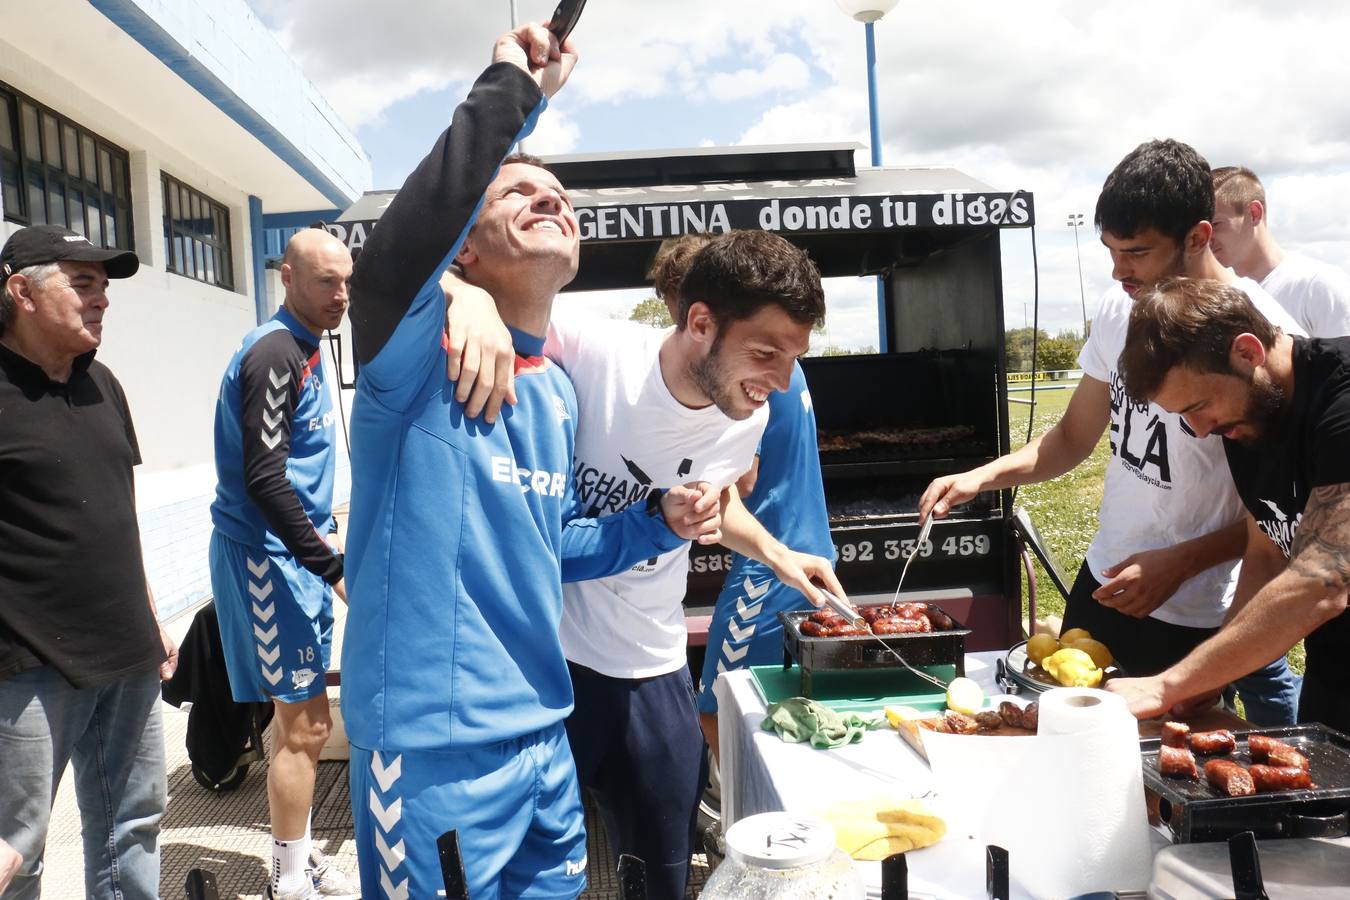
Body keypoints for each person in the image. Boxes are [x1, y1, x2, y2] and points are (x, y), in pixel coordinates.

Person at [338, 25, 719, 899]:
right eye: (518, 190)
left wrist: (652, 524)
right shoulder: (416, 357)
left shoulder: (555, 391)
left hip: (548, 738)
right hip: (435, 753)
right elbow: (398, 255)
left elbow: (554, 546)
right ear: (462, 249)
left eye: (560, 193)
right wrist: (514, 90)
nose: (551, 198)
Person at [443, 228, 840, 897]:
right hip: (549, 661)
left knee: (664, 872)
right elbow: (435, 287)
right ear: (700, 322)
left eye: (794, 357)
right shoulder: (595, 350)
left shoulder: (746, 416)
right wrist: (467, 297)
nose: (780, 380)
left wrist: (777, 552)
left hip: (651, 663)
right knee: (526, 873)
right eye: (766, 352)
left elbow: (715, 498)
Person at [919, 140, 1304, 725]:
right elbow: (1073, 438)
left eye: (1138, 252)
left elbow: (1275, 522)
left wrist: (1179, 562)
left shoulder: (1261, 338)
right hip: (1101, 583)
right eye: (1111, 250)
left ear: (1198, 237)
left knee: (1153, 788)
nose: (1119, 270)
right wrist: (981, 477)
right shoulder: (1119, 307)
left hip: (1192, 610)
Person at [0, 225, 176, 899]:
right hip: (26, 668)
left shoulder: (103, 384)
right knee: (18, 852)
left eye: (104, 287)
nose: (101, 300)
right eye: (82, 284)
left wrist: (153, 618)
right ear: (21, 291)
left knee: (131, 827)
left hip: (126, 656)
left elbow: (117, 515)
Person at [1109, 276, 1350, 733]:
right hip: (1335, 668)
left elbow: (1325, 579)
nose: (1199, 430)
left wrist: (1168, 685)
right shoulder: (1252, 411)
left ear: (1247, 351)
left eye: (1198, 406)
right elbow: (1266, 551)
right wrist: (1213, 675)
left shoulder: (1340, 403)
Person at [208, 227, 357, 900]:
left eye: (346, 281)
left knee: (295, 721)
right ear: (288, 279)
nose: (340, 294)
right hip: (271, 562)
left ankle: (294, 860)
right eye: (326, 281)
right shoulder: (273, 353)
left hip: (294, 556)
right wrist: (330, 566)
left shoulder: (305, 346)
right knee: (307, 724)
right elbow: (265, 479)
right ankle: (289, 881)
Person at [1210, 165, 1350, 338]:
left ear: (1254, 214)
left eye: (1216, 224)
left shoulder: (1319, 285)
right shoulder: (1221, 297)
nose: (1207, 236)